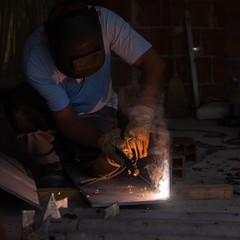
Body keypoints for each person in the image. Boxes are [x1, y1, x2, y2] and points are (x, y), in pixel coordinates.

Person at [21, 0, 165, 181]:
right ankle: (50, 162)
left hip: (98, 110)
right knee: (20, 109)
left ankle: (69, 150)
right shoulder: (34, 58)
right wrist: (103, 139)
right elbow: (67, 118)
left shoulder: (106, 22)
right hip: (56, 114)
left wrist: (143, 117)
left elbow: (153, 64)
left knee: (108, 163)